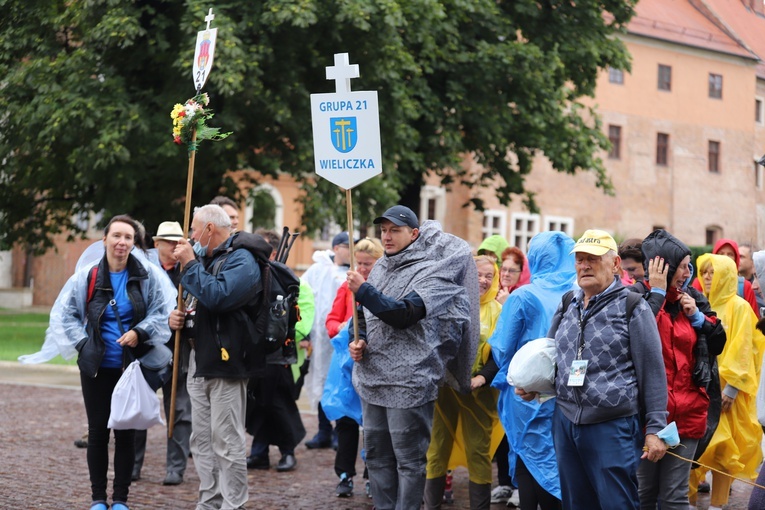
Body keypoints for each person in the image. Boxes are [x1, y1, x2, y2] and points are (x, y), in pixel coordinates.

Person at [20, 214, 176, 510]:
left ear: (134, 243)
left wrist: (139, 332)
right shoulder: (87, 276)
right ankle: (98, 498)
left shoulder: (148, 275)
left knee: (127, 433)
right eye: (117, 236)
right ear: (104, 240)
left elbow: (163, 310)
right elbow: (65, 316)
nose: (122, 242)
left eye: (128, 237)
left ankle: (120, 499)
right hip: (96, 368)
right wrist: (83, 344)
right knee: (97, 432)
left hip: (131, 368)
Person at [516, 229, 668, 510]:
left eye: (593, 259)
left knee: (617, 503)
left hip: (612, 424)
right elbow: (549, 358)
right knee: (575, 503)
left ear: (615, 265)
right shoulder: (567, 303)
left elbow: (653, 372)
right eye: (580, 259)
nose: (584, 265)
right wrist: (533, 386)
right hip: (565, 420)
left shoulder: (632, 307)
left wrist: (656, 428)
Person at [346, 205, 479, 510]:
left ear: (414, 233)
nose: (387, 236)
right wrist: (360, 339)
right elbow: (364, 316)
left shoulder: (434, 270)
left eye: (395, 230)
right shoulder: (380, 267)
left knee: (408, 460)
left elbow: (405, 314)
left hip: (410, 381)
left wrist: (363, 290)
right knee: (377, 456)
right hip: (373, 378)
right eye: (383, 230)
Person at [170, 204, 263, 510]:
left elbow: (219, 297)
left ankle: (233, 505)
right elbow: (199, 302)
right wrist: (179, 319)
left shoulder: (242, 260)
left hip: (228, 361)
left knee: (226, 440)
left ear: (210, 229)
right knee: (202, 441)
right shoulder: (205, 259)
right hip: (200, 358)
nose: (191, 237)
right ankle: (209, 502)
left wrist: (190, 264)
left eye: (194, 230)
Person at [632, 230, 726, 510]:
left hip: (688, 415)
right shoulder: (636, 296)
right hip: (646, 418)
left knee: (675, 498)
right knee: (642, 496)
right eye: (684, 265)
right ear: (665, 267)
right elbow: (635, 335)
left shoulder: (693, 298)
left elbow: (718, 341)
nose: (689, 272)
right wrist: (659, 295)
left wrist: (697, 318)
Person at [491, 231, 577, 510]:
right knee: (559, 460)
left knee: (530, 458)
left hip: (525, 392)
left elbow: (502, 347)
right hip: (567, 393)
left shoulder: (524, 296)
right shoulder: (579, 293)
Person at [423, 255, 503, 509]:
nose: (483, 280)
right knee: (437, 448)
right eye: (478, 274)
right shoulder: (450, 304)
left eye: (489, 276)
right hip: (445, 389)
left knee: (479, 452)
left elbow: (502, 351)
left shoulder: (499, 311)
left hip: (480, 393)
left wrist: (482, 377)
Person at [689, 253, 765, 510]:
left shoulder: (740, 307)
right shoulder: (699, 304)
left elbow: (745, 349)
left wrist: (731, 388)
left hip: (723, 393)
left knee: (722, 450)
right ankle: (686, 500)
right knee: (693, 448)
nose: (708, 277)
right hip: (699, 390)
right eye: (705, 272)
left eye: (713, 271)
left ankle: (717, 505)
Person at [244, 228, 315, 473]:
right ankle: (259, 453)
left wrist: (283, 331)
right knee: (258, 403)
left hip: (281, 354)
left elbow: (303, 320)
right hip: (256, 352)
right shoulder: (251, 277)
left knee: (278, 403)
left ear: (272, 252)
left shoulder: (293, 280)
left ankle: (287, 452)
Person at [132, 221, 192, 486]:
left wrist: (185, 320)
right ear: (156, 244)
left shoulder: (190, 271)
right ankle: (132, 465)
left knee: (179, 410)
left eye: (179, 242)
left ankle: (176, 468)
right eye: (169, 242)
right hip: (146, 351)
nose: (175, 246)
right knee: (137, 409)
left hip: (179, 349)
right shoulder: (142, 271)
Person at [323, 237, 384, 497]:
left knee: (374, 423)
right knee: (346, 420)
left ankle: (374, 475)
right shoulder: (345, 288)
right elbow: (331, 320)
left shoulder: (383, 288)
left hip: (376, 363)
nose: (361, 269)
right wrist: (344, 329)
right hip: (346, 364)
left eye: (367, 264)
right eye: (358, 263)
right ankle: (345, 474)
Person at [301, 231, 351, 449]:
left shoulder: (355, 273)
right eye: (349, 246)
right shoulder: (318, 269)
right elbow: (303, 297)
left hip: (343, 338)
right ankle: (323, 430)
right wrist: (304, 333)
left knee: (342, 382)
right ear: (337, 248)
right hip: (320, 338)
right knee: (321, 380)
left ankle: (341, 432)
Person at [693, 238, 760, 318]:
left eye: (730, 254)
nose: (725, 257)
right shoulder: (701, 281)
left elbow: (753, 321)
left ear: (736, 259)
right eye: (721, 254)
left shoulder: (744, 286)